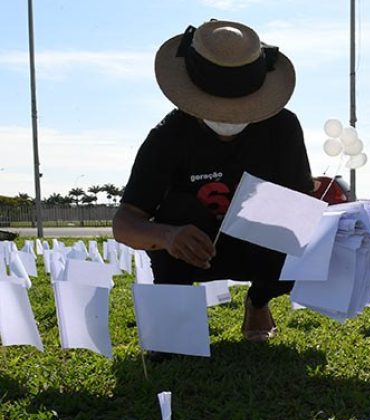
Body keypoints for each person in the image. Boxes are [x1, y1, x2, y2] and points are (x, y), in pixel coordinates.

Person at [113, 20, 313, 347]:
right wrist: (168, 236)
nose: (229, 117)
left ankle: (259, 300)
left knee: (311, 241)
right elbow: (125, 222)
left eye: (241, 108)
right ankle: (175, 321)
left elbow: (302, 207)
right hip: (190, 251)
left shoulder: (283, 129)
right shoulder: (167, 137)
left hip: (259, 249)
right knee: (176, 211)